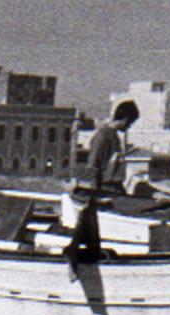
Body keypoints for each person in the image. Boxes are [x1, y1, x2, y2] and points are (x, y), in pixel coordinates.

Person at [67, 100, 140, 266]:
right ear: (125, 119)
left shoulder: (113, 136)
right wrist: (94, 194)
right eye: (130, 122)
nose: (129, 127)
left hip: (114, 189)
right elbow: (94, 166)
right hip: (105, 190)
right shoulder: (103, 136)